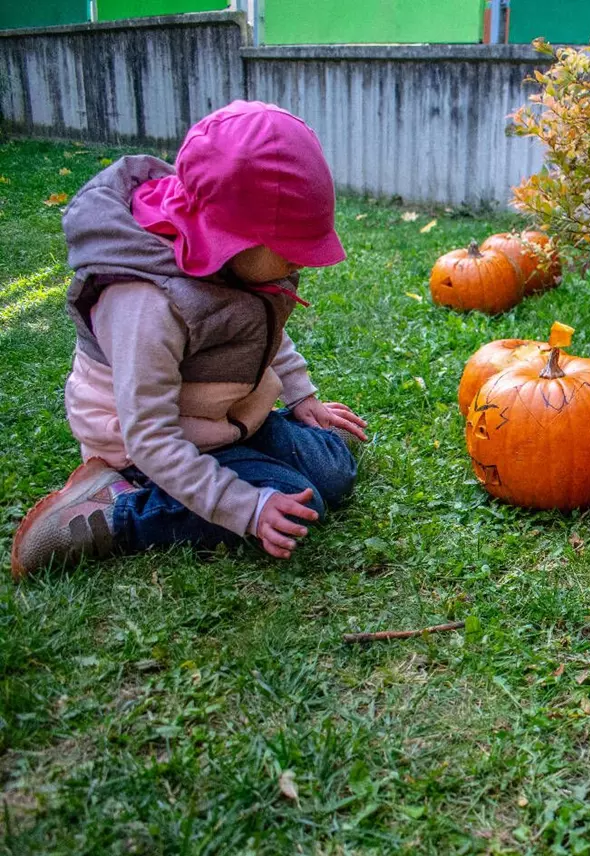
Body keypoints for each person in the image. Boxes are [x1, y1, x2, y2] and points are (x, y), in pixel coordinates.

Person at [10, 100, 368, 579]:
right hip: (153, 443)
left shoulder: (239, 263)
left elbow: (263, 325)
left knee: (333, 471)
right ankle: (115, 511)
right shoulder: (147, 303)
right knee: (301, 507)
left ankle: (256, 453)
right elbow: (150, 437)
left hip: (223, 416)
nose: (301, 263)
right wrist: (246, 506)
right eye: (291, 250)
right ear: (232, 236)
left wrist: (301, 396)